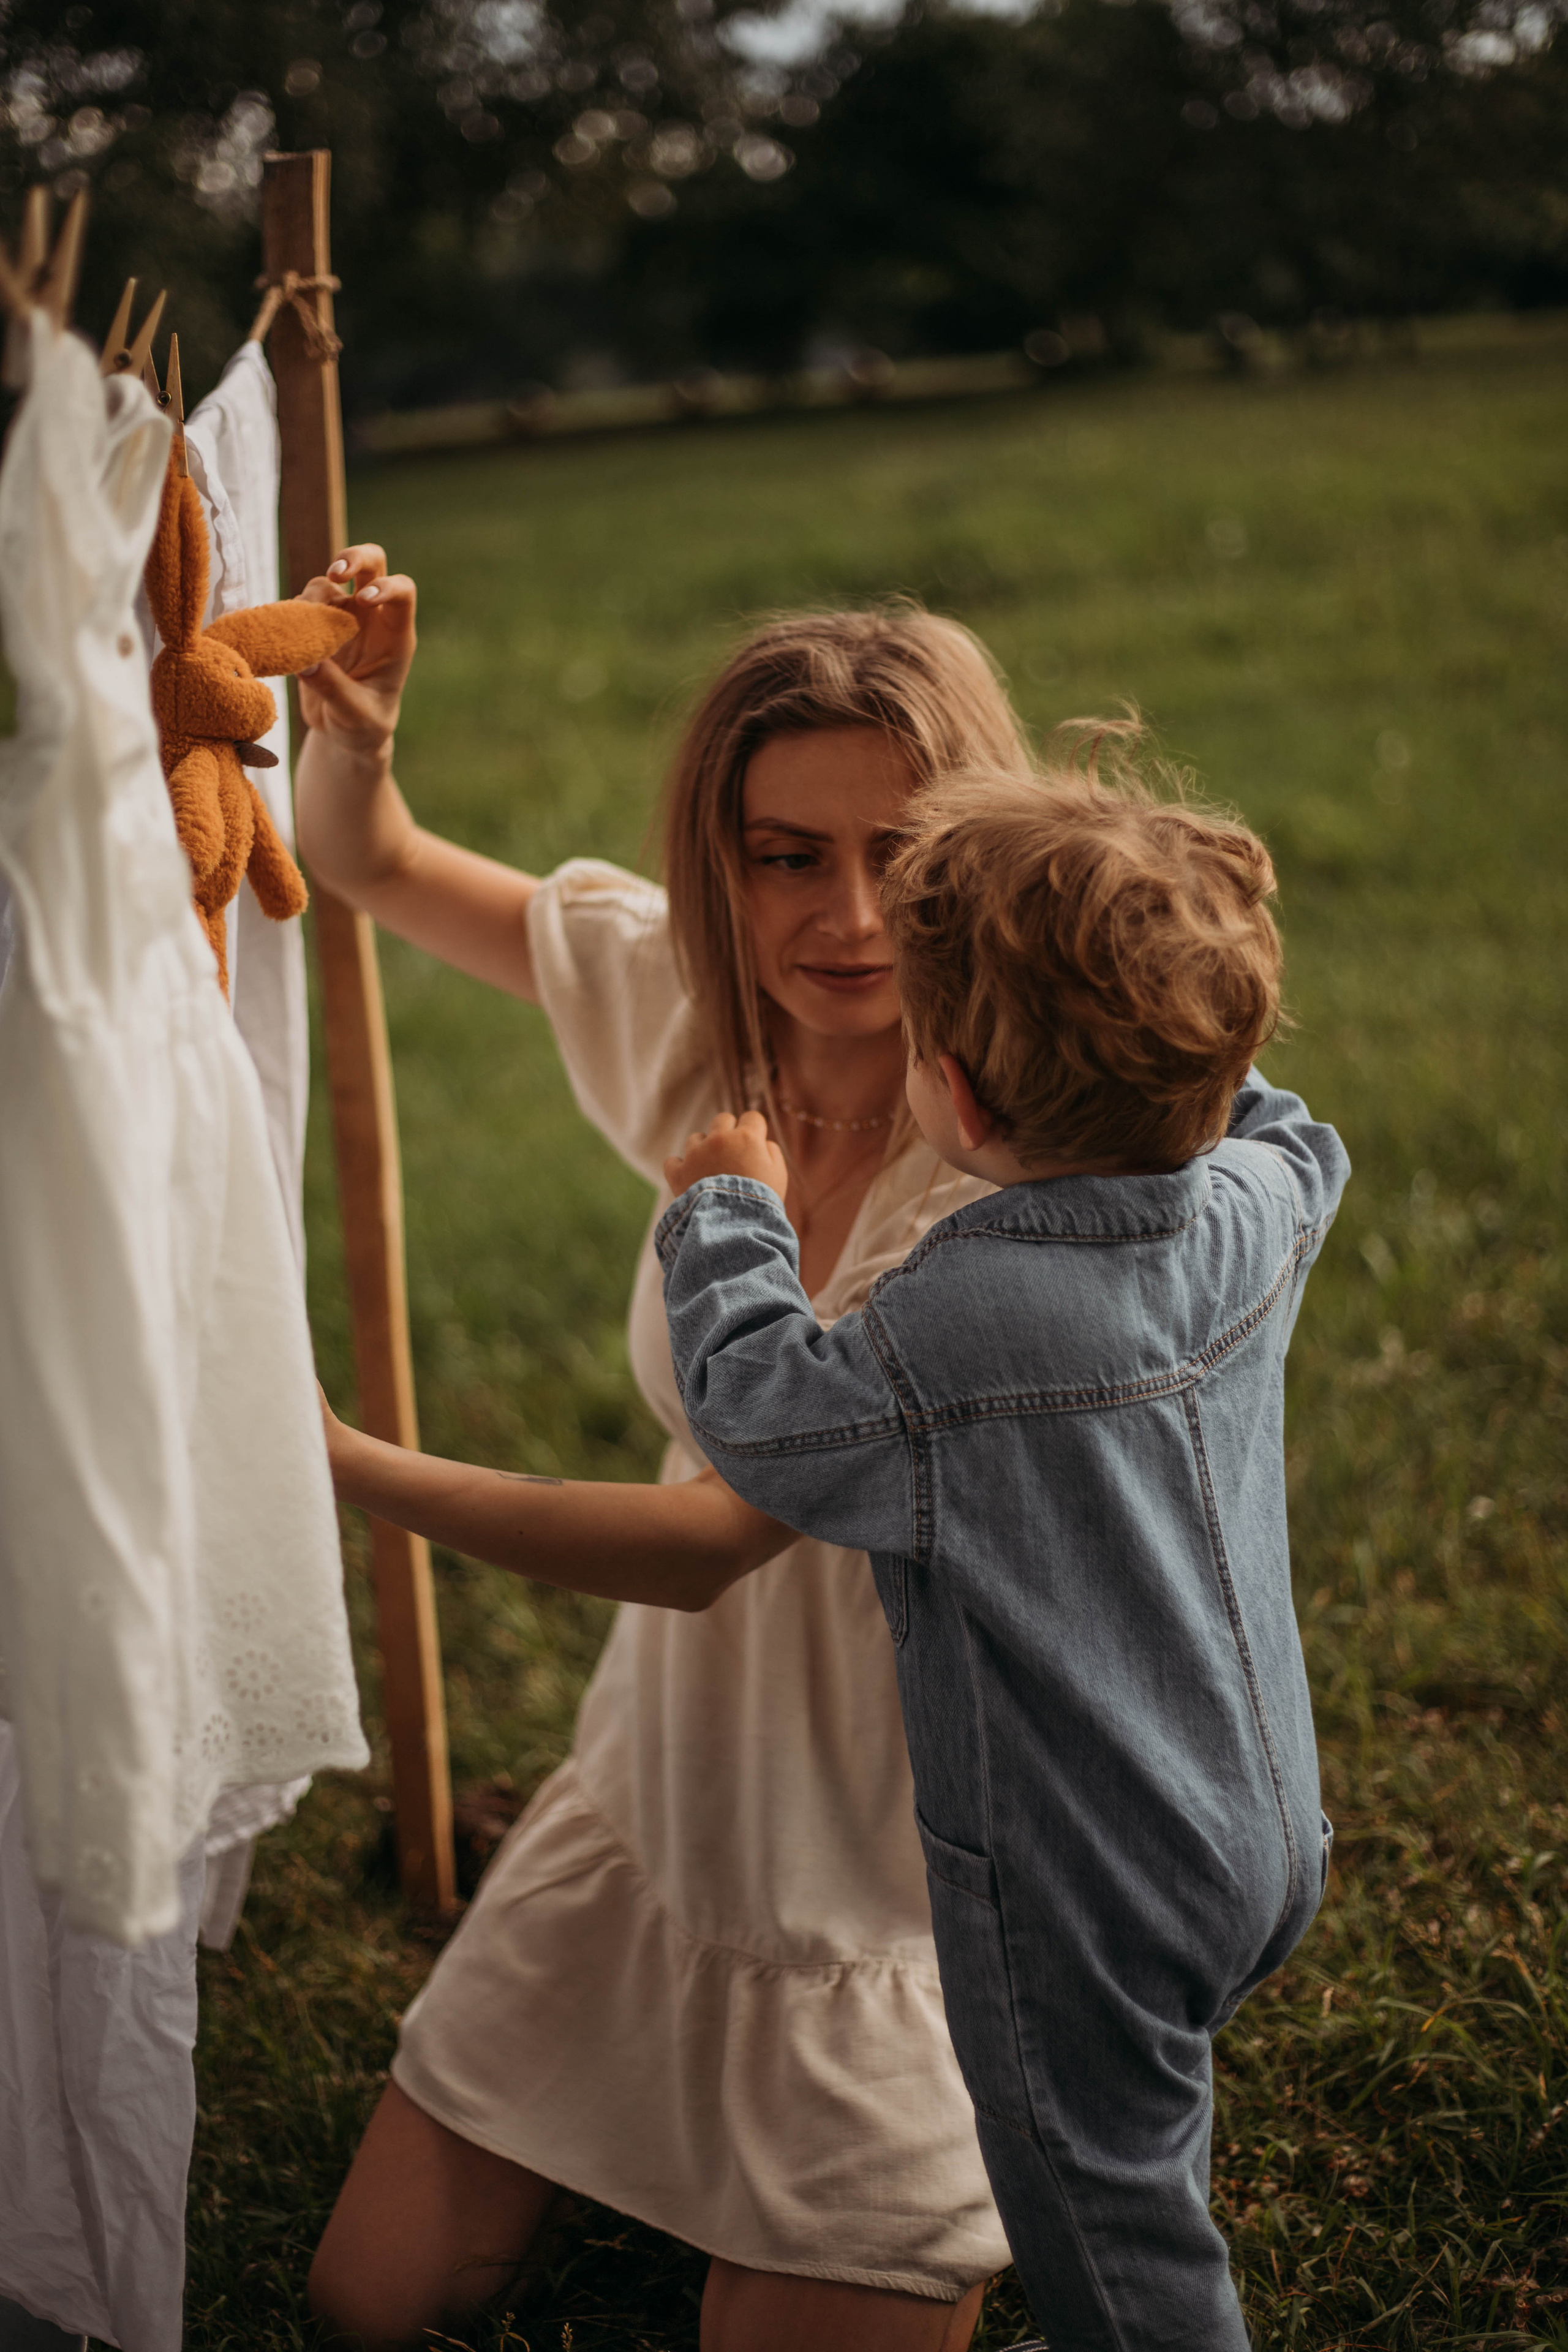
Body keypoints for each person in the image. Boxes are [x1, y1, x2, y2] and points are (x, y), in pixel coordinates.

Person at [293, 558, 1037, 2351]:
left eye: (903, 854)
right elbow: (370, 862)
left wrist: (325, 1457)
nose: (848, 915)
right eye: (788, 856)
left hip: (897, 1852)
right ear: (726, 863)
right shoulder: (700, 1016)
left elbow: (713, 1541)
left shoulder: (1014, 1163)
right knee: (368, 2308)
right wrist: (359, 744)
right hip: (665, 1782)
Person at [652, 741, 1351, 2350]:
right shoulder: (1256, 1206)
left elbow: (760, 1417)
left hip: (1076, 1893)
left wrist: (729, 1213)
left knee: (1102, 2203)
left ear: (954, 1094)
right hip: (1262, 1829)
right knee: (1143, 2110)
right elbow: (1300, 1134)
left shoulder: (958, 1317)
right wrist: (1183, 1042)